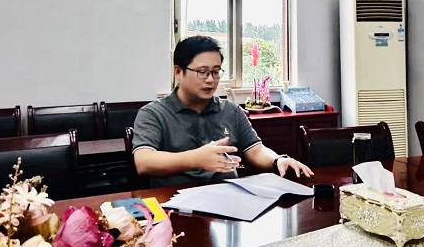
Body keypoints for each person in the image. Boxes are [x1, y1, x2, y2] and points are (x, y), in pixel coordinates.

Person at [132, 35, 314, 187]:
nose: (210, 80)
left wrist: (278, 160)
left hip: (228, 198)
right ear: (178, 72)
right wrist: (196, 158)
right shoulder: (153, 114)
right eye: (202, 72)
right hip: (174, 202)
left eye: (216, 72)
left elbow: (255, 150)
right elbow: (144, 162)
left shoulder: (230, 110)